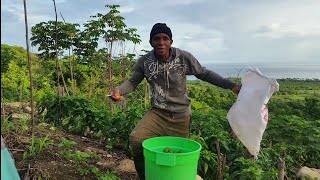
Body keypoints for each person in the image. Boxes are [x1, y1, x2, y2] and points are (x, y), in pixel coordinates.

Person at [110, 23, 241, 180]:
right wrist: (118, 90)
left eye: (165, 38)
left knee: (178, 156)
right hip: (158, 113)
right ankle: (145, 176)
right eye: (156, 39)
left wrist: (231, 86)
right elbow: (132, 82)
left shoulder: (183, 57)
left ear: (171, 41)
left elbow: (204, 74)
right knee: (137, 140)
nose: (161, 42)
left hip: (181, 116)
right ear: (151, 42)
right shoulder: (144, 62)